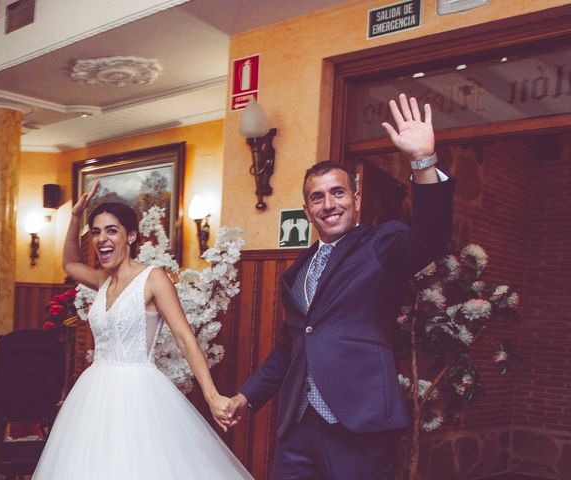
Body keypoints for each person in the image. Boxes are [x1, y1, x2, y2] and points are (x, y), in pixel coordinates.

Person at [224, 94, 455, 479]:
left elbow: (431, 235)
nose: (329, 204)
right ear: (307, 210)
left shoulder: (382, 245)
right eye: (317, 197)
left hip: (359, 423)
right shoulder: (296, 273)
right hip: (298, 427)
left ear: (356, 199)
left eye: (338, 193)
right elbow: (289, 347)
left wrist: (423, 161)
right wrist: (245, 397)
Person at [32, 185, 253, 479]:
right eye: (96, 232)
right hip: (93, 394)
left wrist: (212, 396)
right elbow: (70, 263)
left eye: (111, 231)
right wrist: (74, 217)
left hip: (138, 393)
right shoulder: (102, 280)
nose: (102, 239)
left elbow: (185, 339)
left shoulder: (153, 279)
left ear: (131, 236)